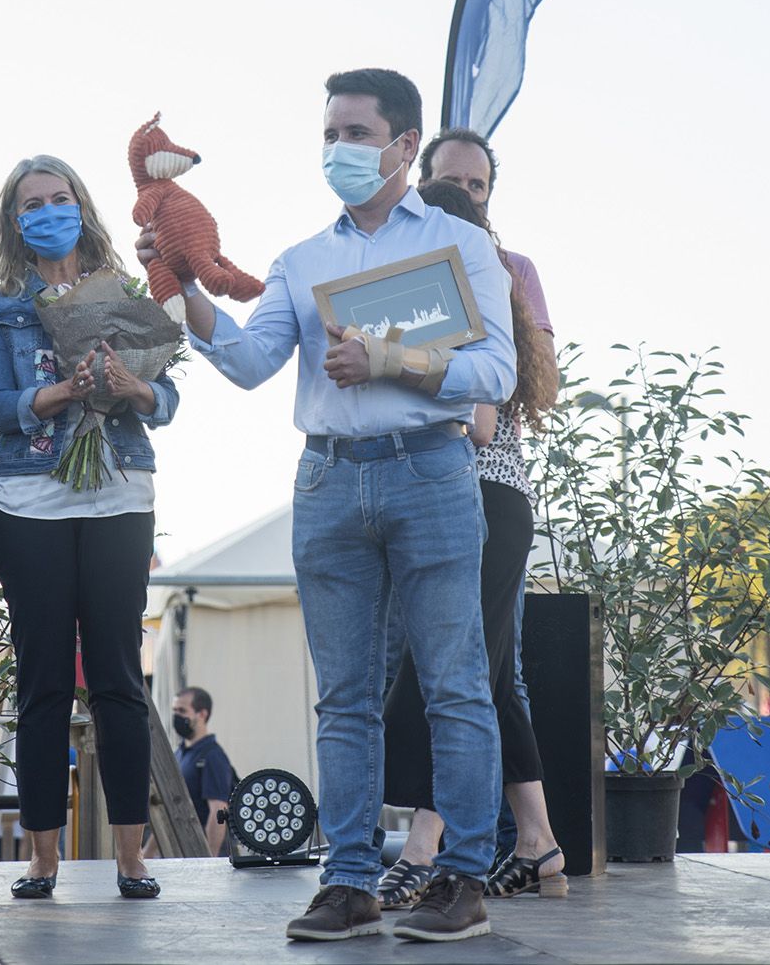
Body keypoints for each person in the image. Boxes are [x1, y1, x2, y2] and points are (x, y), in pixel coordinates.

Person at [139, 68, 515, 943]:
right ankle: (350, 880)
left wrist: (394, 362)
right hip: (329, 478)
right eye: (330, 133)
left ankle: (460, 876)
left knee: (456, 687)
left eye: (355, 132)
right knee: (343, 697)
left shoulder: (461, 246)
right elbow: (245, 360)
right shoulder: (303, 260)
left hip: (430, 468)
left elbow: (498, 374)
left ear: (404, 144)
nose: (337, 149)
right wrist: (180, 279)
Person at [0, 155, 178, 901]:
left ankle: (132, 857)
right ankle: (41, 860)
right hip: (31, 500)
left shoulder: (124, 291)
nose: (49, 211)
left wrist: (135, 388)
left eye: (60, 199)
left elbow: (170, 398)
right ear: (14, 220)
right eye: (34, 203)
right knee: (43, 684)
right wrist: (64, 391)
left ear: (82, 208)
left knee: (121, 681)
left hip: (120, 494)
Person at [378, 177, 564, 906]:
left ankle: (425, 845)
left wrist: (397, 368)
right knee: (489, 673)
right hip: (465, 497)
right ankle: (537, 841)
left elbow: (479, 424)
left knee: (450, 675)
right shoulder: (455, 297)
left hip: (478, 497)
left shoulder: (470, 301)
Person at [172, 687, 234, 857]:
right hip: (184, 856)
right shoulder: (178, 755)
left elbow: (218, 812)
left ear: (202, 714)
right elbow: (171, 811)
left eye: (182, 711)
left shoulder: (212, 756)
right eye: (175, 710)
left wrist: (209, 860)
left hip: (205, 858)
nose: (177, 716)